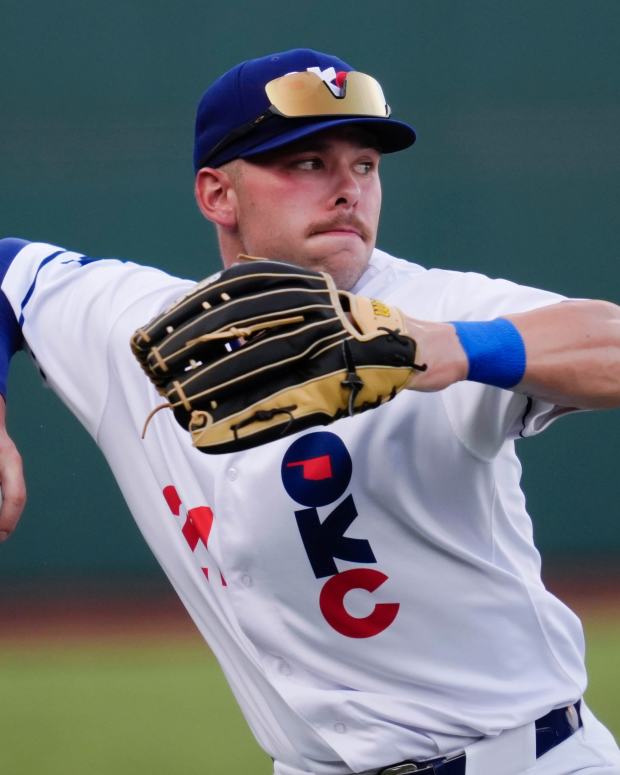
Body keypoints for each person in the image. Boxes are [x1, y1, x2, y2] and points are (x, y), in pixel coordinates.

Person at [0, 48, 619, 775]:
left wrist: (452, 348)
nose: (347, 190)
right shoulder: (140, 330)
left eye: (364, 164)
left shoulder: (432, 311)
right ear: (217, 195)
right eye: (305, 162)